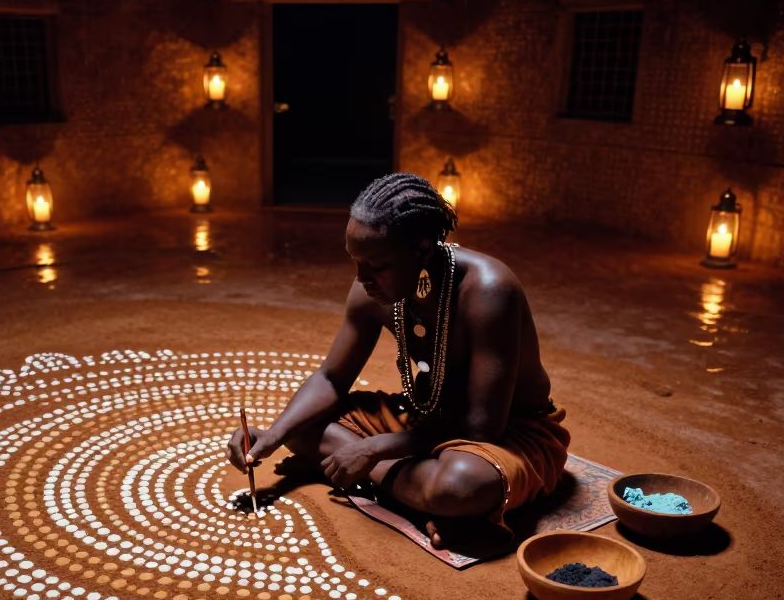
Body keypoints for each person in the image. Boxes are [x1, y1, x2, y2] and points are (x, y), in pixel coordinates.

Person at [227, 172, 569, 549]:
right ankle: (420, 496)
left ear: (422, 250)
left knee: (458, 486)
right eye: (355, 262)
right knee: (302, 424)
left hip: (507, 434)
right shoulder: (370, 290)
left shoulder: (488, 290)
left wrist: (372, 450)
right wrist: (271, 438)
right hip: (423, 417)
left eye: (376, 265)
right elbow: (329, 379)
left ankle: (430, 496)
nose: (362, 278)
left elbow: (481, 429)